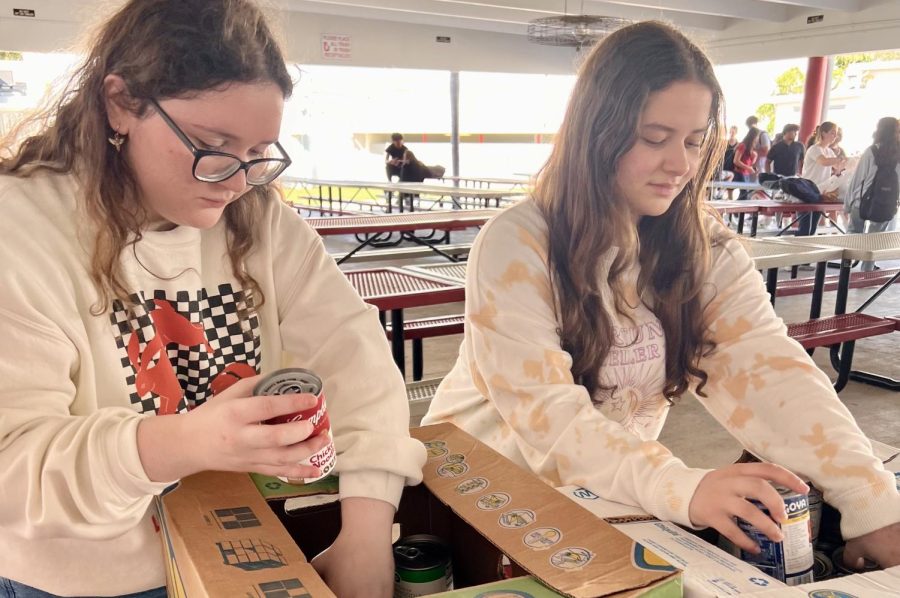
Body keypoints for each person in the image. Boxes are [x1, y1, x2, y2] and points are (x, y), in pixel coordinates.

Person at [422, 21, 900, 571]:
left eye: (695, 141)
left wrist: (871, 501)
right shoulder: (518, 242)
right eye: (654, 138)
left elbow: (769, 368)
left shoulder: (703, 248)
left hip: (604, 500)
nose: (680, 164)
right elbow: (546, 416)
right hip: (476, 494)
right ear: (595, 132)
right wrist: (680, 487)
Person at [0, 2, 425, 597]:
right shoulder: (20, 229)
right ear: (119, 104)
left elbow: (358, 366)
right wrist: (189, 441)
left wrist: (366, 530)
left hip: (243, 547)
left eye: (258, 154)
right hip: (84, 579)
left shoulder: (260, 218)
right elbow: (14, 468)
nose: (234, 180)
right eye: (212, 144)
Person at [845, 117, 900, 271]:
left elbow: (857, 179)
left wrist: (848, 203)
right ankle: (867, 271)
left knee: (853, 232)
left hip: (861, 201)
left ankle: (846, 267)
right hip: (885, 203)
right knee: (874, 239)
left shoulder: (872, 150)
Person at [799, 121, 847, 235]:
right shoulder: (814, 149)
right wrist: (841, 159)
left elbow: (837, 167)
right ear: (823, 133)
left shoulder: (829, 151)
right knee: (805, 229)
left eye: (836, 133)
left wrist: (850, 162)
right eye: (832, 133)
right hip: (807, 190)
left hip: (820, 191)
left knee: (813, 228)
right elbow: (824, 162)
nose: (835, 136)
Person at [732, 126, 760, 199]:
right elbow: (736, 161)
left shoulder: (750, 147)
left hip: (745, 173)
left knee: (744, 195)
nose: (758, 138)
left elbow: (749, 163)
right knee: (744, 195)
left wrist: (754, 157)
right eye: (757, 136)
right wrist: (748, 168)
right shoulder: (743, 145)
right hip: (740, 173)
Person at [746, 115, 771, 180]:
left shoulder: (762, 134)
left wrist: (754, 152)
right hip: (752, 163)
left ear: (756, 124)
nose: (749, 127)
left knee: (758, 182)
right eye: (748, 125)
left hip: (760, 163)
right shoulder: (750, 134)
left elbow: (767, 151)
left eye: (751, 125)